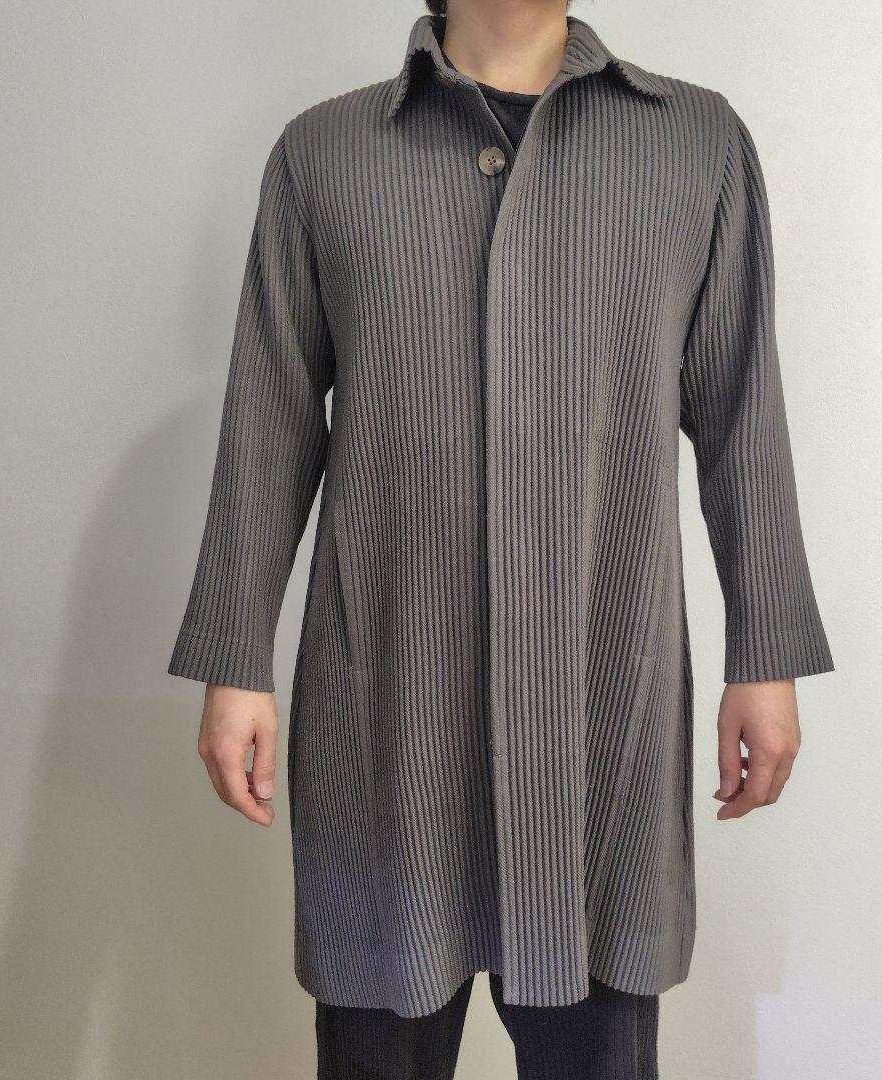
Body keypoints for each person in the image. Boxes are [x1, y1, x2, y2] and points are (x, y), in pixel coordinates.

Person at [168, 0, 835, 1075]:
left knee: (596, 1040)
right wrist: (234, 658)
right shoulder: (324, 153)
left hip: (600, 698)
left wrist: (767, 653)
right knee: (377, 1033)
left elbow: (740, 413)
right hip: (391, 696)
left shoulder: (693, 144)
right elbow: (269, 420)